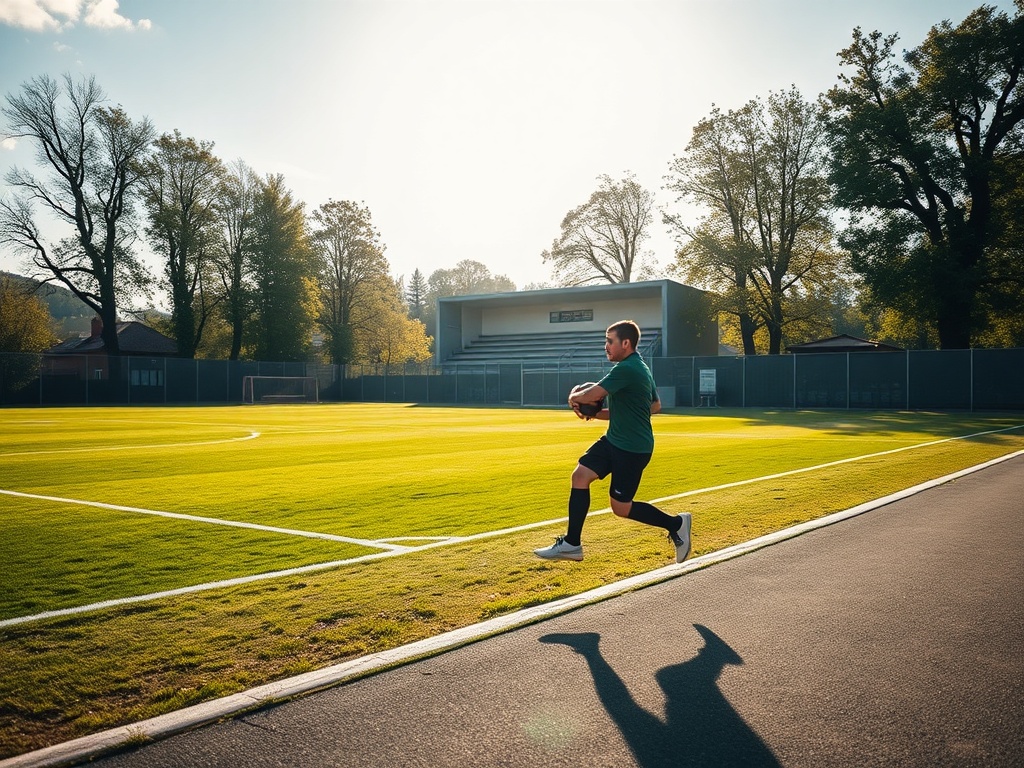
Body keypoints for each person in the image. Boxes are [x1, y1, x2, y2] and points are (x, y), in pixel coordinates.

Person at [533, 319, 691, 563]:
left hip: (632, 449)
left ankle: (676, 523)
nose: (605, 346)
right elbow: (655, 405)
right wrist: (605, 414)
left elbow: (593, 393)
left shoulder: (627, 369)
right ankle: (572, 544)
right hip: (615, 440)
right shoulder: (640, 367)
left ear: (625, 343)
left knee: (621, 507)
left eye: (610, 341)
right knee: (580, 476)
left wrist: (573, 397)